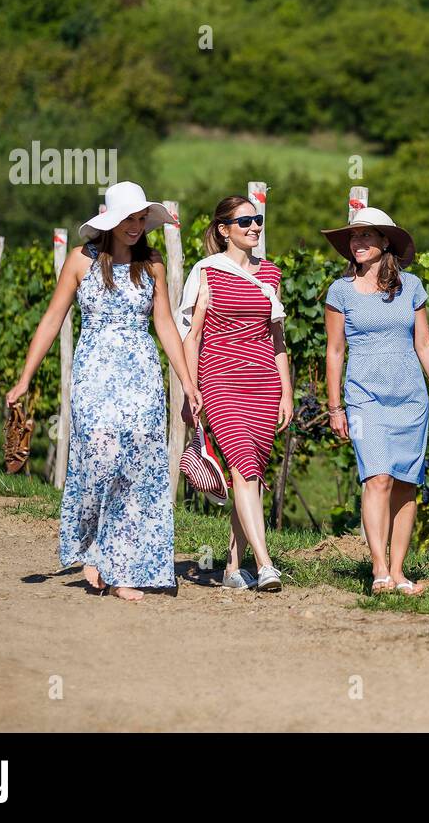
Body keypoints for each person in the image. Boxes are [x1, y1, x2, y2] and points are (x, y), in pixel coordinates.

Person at [6, 181, 200, 602]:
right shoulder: (80, 261)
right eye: (128, 219)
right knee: (99, 456)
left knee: (136, 467)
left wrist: (186, 381)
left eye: (140, 219)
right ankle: (93, 547)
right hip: (95, 372)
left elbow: (165, 325)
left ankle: (121, 569)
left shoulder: (153, 265)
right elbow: (53, 318)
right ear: (110, 222)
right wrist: (25, 377)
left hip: (142, 373)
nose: (135, 226)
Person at [321, 206, 429, 595]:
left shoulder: (410, 287)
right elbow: (334, 351)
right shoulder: (340, 291)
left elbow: (424, 342)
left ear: (384, 242)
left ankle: (398, 571)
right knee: (377, 476)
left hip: (411, 399)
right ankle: (378, 567)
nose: (356, 242)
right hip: (364, 398)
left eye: (365, 236)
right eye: (353, 237)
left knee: (405, 484)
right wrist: (334, 406)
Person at [176, 196, 292, 592]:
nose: (255, 227)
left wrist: (286, 393)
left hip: (263, 383)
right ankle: (265, 564)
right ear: (224, 229)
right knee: (243, 466)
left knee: (253, 477)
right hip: (220, 380)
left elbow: (277, 340)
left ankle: (231, 567)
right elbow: (192, 338)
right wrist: (190, 390)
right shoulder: (206, 272)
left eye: (257, 220)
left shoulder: (272, 274)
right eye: (246, 221)